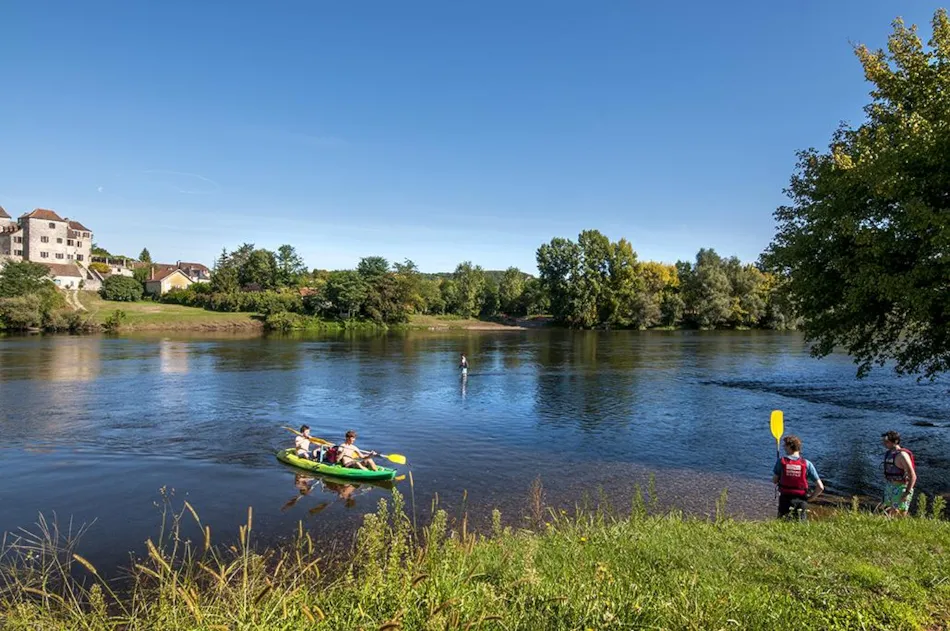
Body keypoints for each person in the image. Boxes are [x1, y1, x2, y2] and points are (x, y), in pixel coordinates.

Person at [772, 435, 824, 520]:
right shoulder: (807, 464)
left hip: (785, 499)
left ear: (790, 446)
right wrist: (810, 498)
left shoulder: (781, 462)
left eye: (785, 445)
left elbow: (774, 480)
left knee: (783, 525)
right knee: (800, 527)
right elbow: (821, 487)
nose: (783, 447)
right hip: (801, 500)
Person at [881, 430, 917, 517]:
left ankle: (900, 529)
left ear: (896, 441)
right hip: (890, 486)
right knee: (888, 512)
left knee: (899, 513)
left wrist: (907, 492)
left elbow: (913, 476)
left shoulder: (903, 455)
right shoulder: (889, 453)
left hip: (901, 488)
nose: (884, 444)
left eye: (887, 442)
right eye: (883, 441)